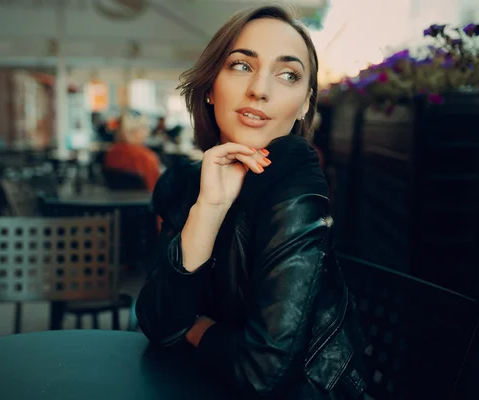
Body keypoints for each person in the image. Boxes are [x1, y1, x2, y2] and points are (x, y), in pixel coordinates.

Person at [135, 5, 366, 399]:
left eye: (288, 74)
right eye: (242, 65)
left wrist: (195, 327)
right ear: (210, 86)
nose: (260, 89)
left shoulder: (295, 177)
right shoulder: (187, 182)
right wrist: (208, 208)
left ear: (305, 104)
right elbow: (157, 322)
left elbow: (262, 373)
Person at [104, 113, 161, 192]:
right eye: (144, 127)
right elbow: (155, 190)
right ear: (134, 131)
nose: (148, 132)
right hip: (145, 202)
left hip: (117, 201)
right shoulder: (147, 157)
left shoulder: (111, 153)